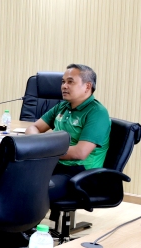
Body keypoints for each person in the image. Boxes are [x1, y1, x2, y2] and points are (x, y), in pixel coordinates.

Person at [25, 64, 110, 201]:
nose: (64, 86)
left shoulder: (97, 112)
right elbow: (34, 127)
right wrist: (38, 147)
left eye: (70, 82)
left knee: (32, 192)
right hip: (54, 165)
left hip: (80, 174)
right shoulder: (63, 106)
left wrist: (43, 151)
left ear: (87, 86)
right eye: (63, 82)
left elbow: (80, 153)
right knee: (9, 180)